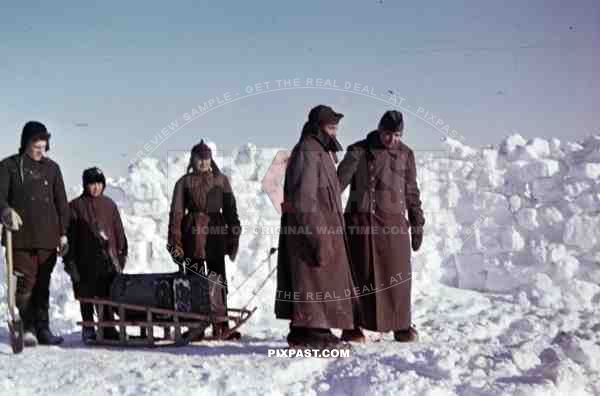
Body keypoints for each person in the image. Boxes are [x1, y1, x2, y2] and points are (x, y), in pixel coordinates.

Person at [337, 110, 425, 343]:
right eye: (388, 134)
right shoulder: (358, 151)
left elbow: (411, 192)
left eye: (397, 135)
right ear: (379, 129)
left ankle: (401, 325)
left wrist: (417, 223)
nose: (392, 140)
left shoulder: (406, 154)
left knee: (397, 278)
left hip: (393, 227)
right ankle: (352, 326)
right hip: (362, 226)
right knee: (360, 277)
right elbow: (338, 184)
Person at [275, 105, 356, 349]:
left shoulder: (321, 152)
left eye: (336, 128)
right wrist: (316, 235)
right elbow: (304, 199)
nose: (334, 132)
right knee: (314, 281)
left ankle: (303, 331)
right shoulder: (308, 152)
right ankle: (314, 333)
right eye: (330, 127)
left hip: (323, 228)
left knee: (318, 281)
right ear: (317, 128)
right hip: (311, 230)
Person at [0, 121, 70, 346]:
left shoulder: (52, 168)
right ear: (25, 144)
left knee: (42, 283)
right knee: (25, 284)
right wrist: (5, 210)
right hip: (20, 239)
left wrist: (63, 233)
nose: (41, 151)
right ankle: (27, 327)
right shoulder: (9, 166)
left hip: (47, 238)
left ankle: (43, 328)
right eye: (36, 147)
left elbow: (62, 203)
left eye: (44, 147)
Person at [167, 140, 242, 340]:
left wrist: (234, 234)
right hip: (192, 234)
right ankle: (196, 326)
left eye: (206, 158)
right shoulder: (184, 182)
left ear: (211, 159)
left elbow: (231, 210)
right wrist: (176, 242)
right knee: (196, 281)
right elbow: (176, 214)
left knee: (218, 280)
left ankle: (221, 324)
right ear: (193, 160)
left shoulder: (221, 180)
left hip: (216, 234)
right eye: (199, 159)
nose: (203, 162)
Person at [64, 167, 128, 343]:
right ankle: (88, 328)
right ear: (85, 185)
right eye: (92, 184)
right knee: (86, 295)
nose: (96, 188)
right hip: (84, 261)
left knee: (107, 294)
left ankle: (108, 328)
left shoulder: (109, 205)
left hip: (107, 260)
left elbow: (118, 231)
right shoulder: (75, 206)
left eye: (99, 184)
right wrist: (70, 262)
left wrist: (121, 254)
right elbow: (69, 238)